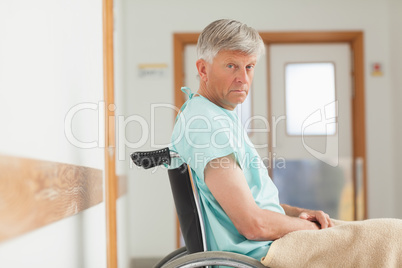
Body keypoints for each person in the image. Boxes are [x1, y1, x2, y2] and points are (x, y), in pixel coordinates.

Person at [170, 19, 333, 261]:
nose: (243, 79)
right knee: (390, 237)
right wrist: (310, 230)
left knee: (368, 231)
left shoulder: (219, 115)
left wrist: (298, 214)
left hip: (268, 244)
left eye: (249, 67)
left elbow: (250, 203)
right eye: (231, 66)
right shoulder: (205, 124)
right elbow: (252, 225)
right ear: (203, 70)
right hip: (261, 254)